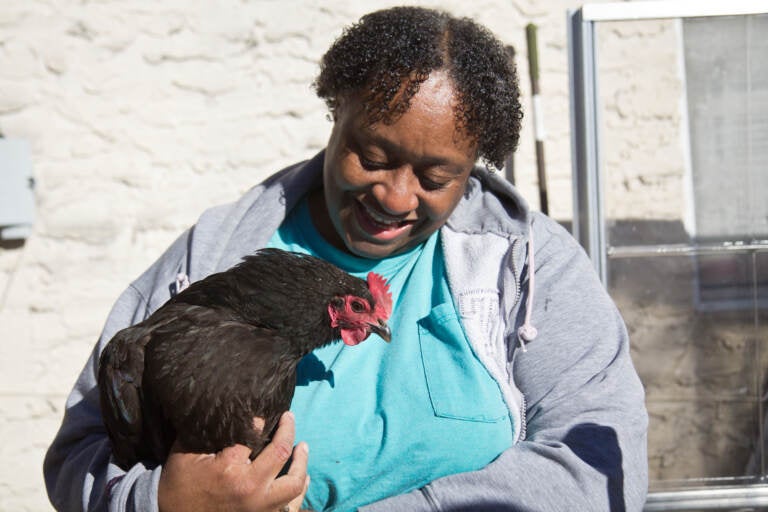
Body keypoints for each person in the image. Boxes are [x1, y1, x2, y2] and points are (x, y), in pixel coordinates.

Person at [44, 6, 648, 512]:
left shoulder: (531, 269)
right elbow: (78, 457)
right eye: (373, 156)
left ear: (472, 170)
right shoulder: (211, 257)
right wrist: (160, 502)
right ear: (336, 114)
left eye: (436, 176)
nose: (394, 196)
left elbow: (595, 466)